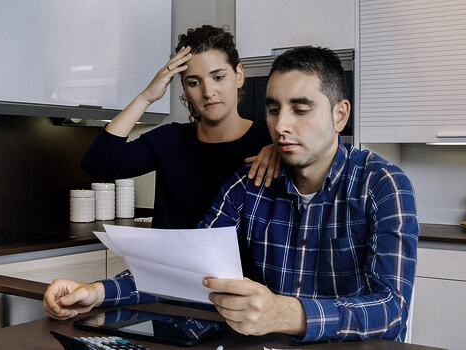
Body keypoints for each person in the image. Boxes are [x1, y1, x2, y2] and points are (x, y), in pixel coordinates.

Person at [46, 46, 418, 342]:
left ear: (340, 115)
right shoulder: (248, 182)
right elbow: (186, 267)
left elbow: (391, 309)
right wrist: (98, 292)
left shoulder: (382, 185)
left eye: (300, 109)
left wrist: (284, 313)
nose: (281, 125)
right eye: (273, 109)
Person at [80, 25, 279, 230]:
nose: (208, 92)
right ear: (184, 88)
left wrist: (280, 151)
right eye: (194, 82)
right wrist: (146, 97)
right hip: (169, 253)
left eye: (218, 77)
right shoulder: (169, 140)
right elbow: (98, 164)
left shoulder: (270, 143)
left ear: (239, 75)